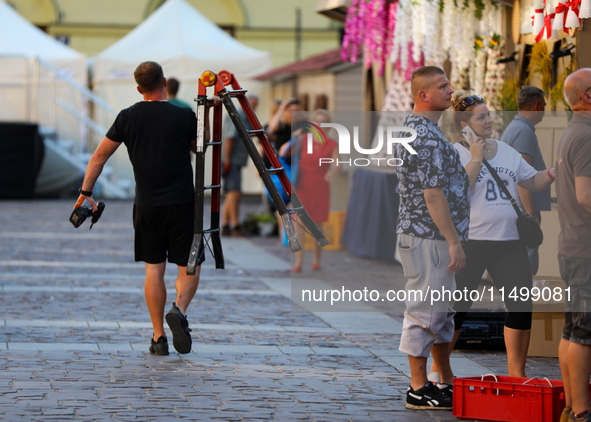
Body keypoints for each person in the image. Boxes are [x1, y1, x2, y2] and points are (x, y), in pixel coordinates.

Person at [73, 61, 215, 356]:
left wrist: (85, 193)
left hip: (146, 205)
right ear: (165, 82)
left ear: (139, 89)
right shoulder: (183, 115)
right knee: (190, 264)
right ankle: (179, 310)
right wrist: (207, 114)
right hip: (181, 203)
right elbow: (201, 147)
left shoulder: (127, 117)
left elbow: (98, 158)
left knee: (154, 269)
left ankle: (158, 338)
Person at [428, 92, 555, 381]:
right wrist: (476, 157)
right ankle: (440, 369)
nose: (489, 121)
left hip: (509, 242)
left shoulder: (507, 151)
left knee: (521, 304)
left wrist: (550, 173)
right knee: (457, 308)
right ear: (465, 126)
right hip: (470, 243)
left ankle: (516, 374)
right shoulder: (455, 153)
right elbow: (458, 193)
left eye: (489, 115)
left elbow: (530, 180)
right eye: (481, 117)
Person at [394, 66, 469, 410]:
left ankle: (438, 381)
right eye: (443, 86)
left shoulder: (425, 129)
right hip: (429, 237)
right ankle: (417, 387)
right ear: (423, 95)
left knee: (440, 312)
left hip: (429, 235)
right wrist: (453, 240)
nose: (451, 90)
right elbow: (433, 194)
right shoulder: (421, 135)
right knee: (425, 310)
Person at [556, 68, 591, 422]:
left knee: (572, 329)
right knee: (584, 333)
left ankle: (570, 406)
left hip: (572, 244)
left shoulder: (572, 131)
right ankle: (581, 411)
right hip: (585, 248)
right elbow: (586, 195)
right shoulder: (586, 135)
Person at [279, 110, 339, 272]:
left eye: (324, 122)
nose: (320, 125)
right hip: (303, 184)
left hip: (321, 185)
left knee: (317, 224)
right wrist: (294, 138)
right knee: (301, 222)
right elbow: (283, 153)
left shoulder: (332, 143)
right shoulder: (303, 140)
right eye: (317, 122)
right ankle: (298, 262)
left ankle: (316, 260)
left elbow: (337, 163)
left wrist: (332, 172)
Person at [500, 86, 549, 275]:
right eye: (544, 105)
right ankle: (520, 304)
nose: (545, 109)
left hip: (516, 210)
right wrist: (530, 214)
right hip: (523, 212)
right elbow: (521, 176)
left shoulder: (515, 128)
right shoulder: (523, 132)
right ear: (536, 107)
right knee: (526, 267)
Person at [221, 93, 259, 237]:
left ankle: (226, 225)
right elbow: (229, 138)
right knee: (235, 192)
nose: (254, 108)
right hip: (232, 160)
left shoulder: (245, 117)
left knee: (232, 193)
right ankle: (235, 226)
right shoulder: (237, 116)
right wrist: (228, 161)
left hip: (236, 160)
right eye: (252, 104)